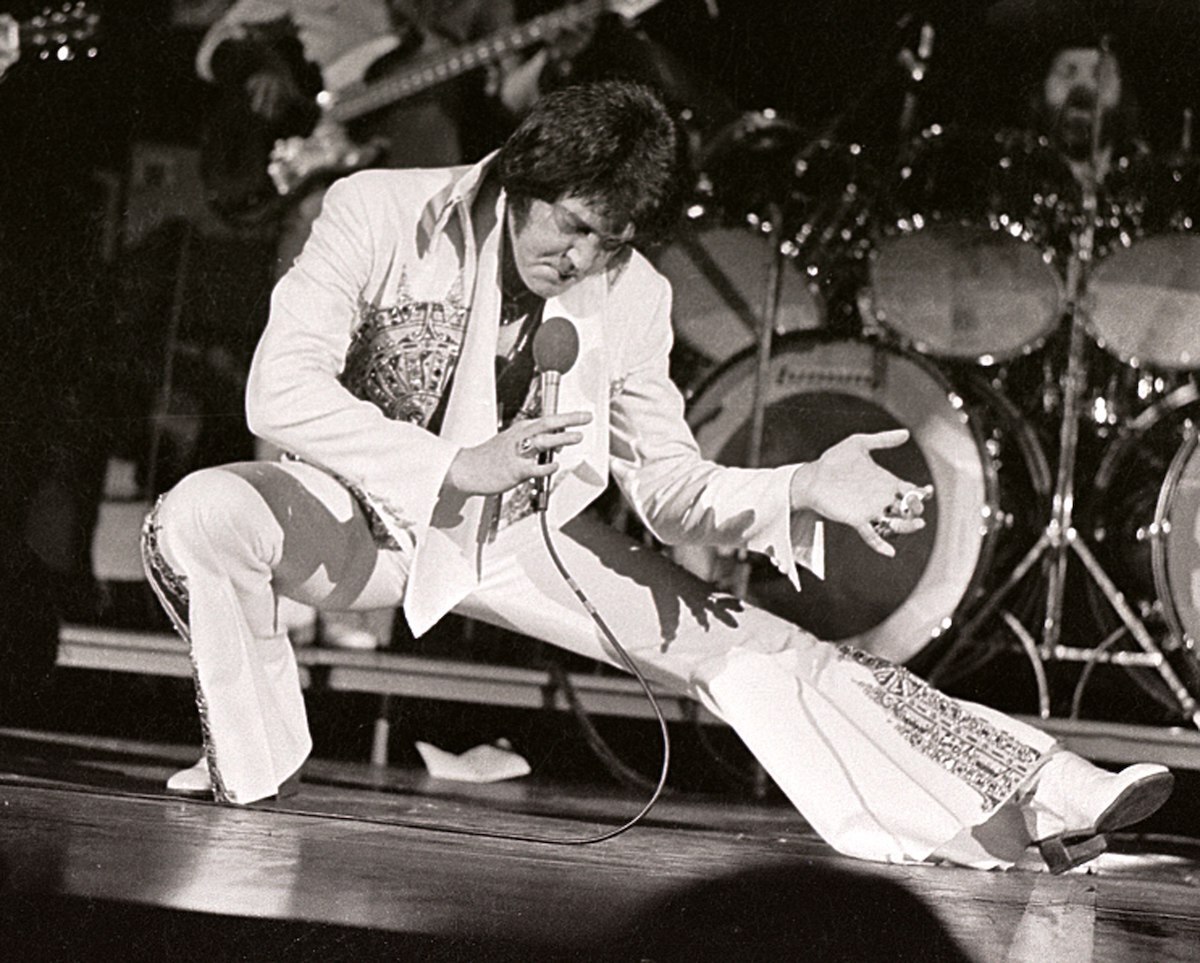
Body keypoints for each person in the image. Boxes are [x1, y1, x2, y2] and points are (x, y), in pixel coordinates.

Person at [142, 80, 1173, 872]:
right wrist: (454, 462)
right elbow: (277, 393)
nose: (585, 258)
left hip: (520, 537)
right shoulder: (376, 212)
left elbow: (668, 485)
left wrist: (796, 487)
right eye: (575, 227)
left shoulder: (630, 293)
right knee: (200, 514)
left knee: (765, 653)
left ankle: (1047, 796)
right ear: (521, 180)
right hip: (353, 518)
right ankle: (248, 766)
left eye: (614, 239)